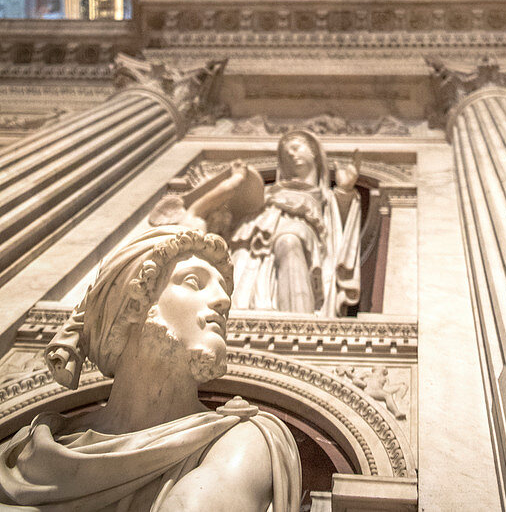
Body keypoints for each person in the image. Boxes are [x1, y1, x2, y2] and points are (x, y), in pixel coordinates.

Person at [0, 227, 301, 511]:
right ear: (134, 305)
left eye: (224, 291)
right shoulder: (28, 450)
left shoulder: (244, 439)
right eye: (194, 282)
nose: (224, 301)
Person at [231, 130, 361, 316]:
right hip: (258, 231)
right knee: (244, 263)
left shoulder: (326, 195)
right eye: (286, 154)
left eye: (296, 148)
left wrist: (345, 191)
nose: (291, 154)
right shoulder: (270, 190)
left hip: (300, 229)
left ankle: (300, 319)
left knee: (289, 240)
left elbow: (341, 231)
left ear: (313, 152)